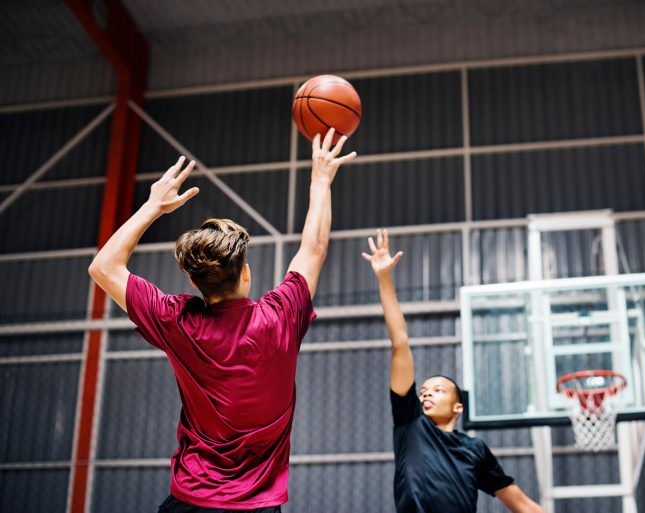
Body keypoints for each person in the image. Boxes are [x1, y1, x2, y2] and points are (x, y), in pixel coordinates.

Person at [88, 129, 356, 512]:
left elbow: (103, 267)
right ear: (244, 273)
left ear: (194, 282)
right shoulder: (280, 316)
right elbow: (314, 247)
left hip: (190, 500)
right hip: (256, 506)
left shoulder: (177, 319)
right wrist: (320, 177)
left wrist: (153, 206)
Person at [362, 229, 546, 513]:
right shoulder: (411, 423)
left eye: (438, 390)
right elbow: (400, 342)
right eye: (423, 391)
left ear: (458, 407)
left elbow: (521, 504)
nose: (427, 394)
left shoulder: (475, 450)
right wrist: (384, 278)